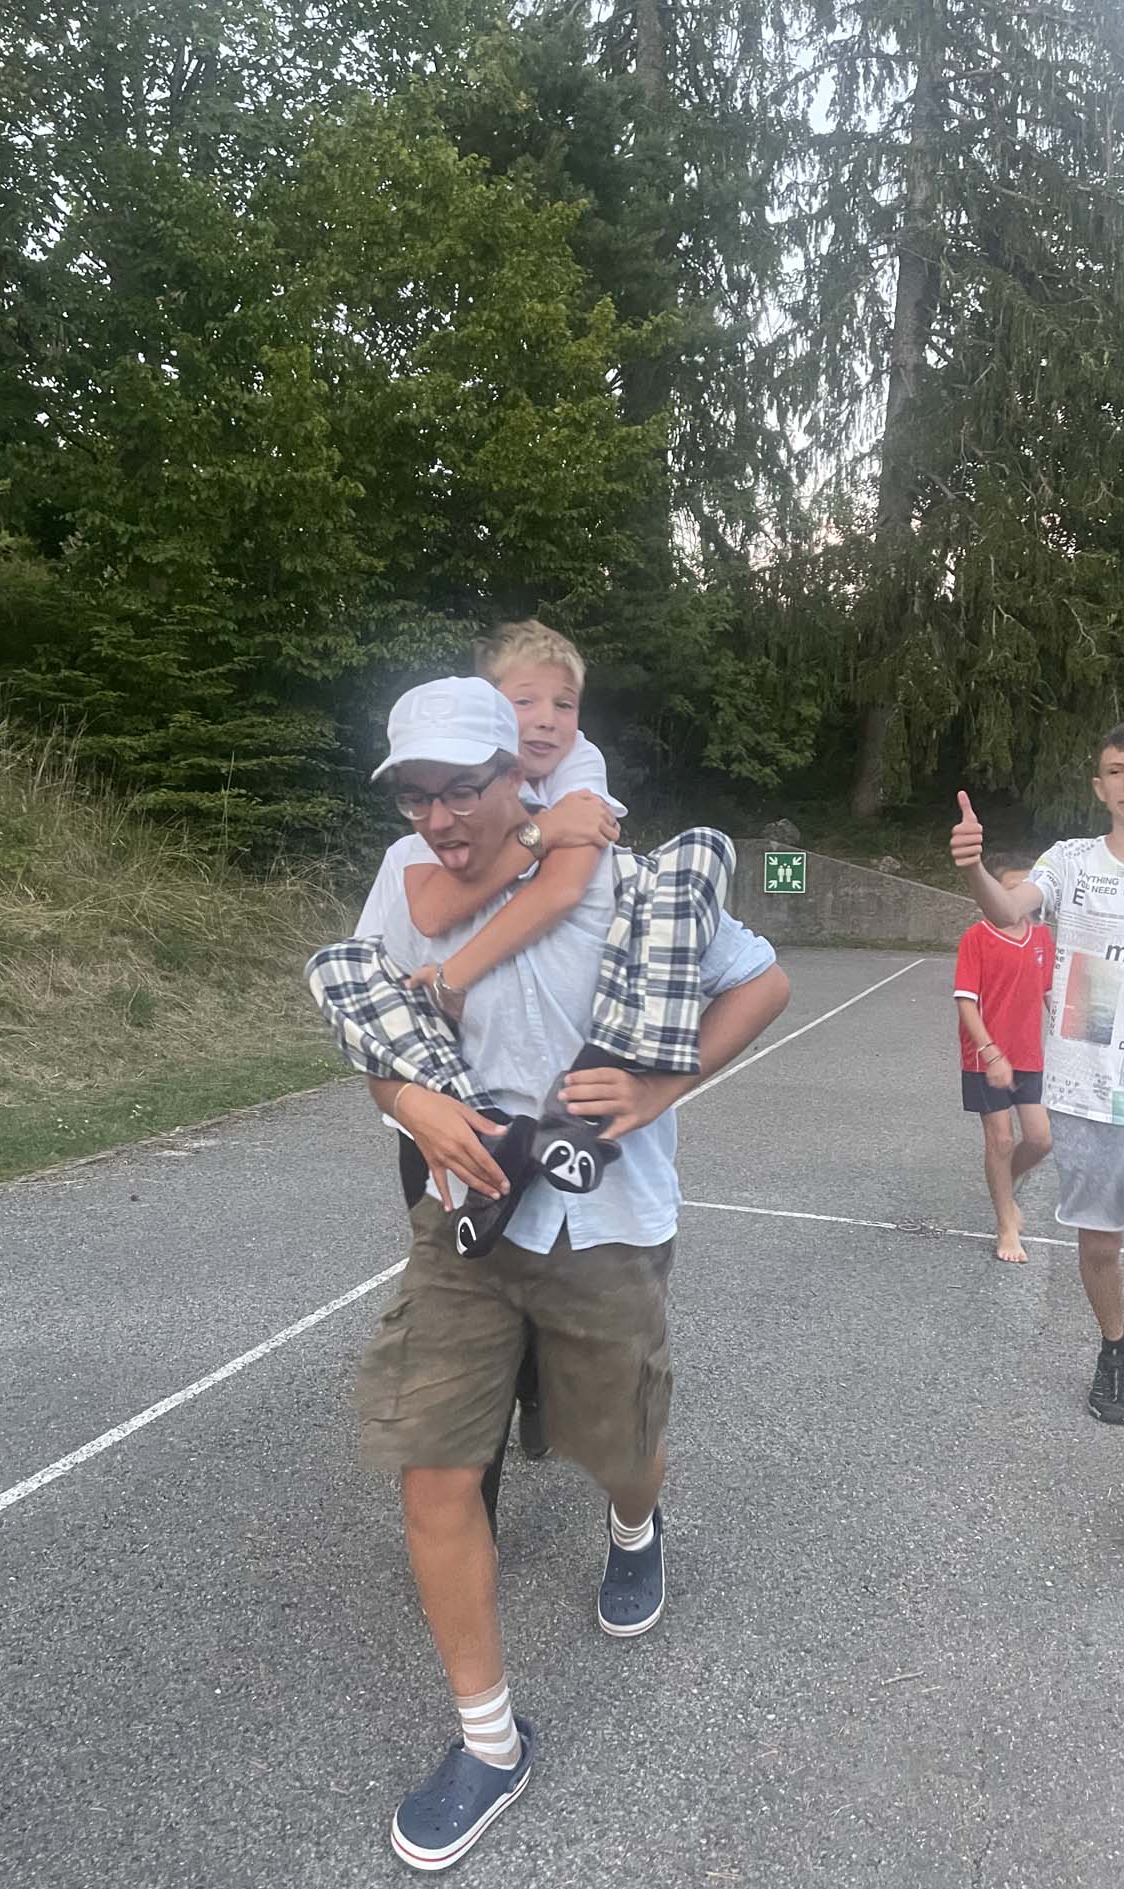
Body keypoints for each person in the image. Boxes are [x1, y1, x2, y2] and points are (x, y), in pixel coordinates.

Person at [317, 677, 790, 1870]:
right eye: (415, 795)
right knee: (434, 1471)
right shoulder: (403, 881)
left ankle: (635, 1521)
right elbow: (380, 1037)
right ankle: (489, 1742)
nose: (438, 818)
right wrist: (410, 1101)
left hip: (606, 1225)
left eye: (459, 790)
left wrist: (662, 1084)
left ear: (516, 777)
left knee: (615, 1445)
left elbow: (764, 979)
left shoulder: (628, 881)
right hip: (465, 1230)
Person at [355, 622, 622, 1473]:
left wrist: (542, 842)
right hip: (438, 1126)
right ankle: (478, 1466)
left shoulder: (579, 775)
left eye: (562, 703)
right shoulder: (417, 846)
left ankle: (539, 1388)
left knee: (540, 1289)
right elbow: (421, 922)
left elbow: (567, 885)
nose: (545, 719)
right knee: (461, 1299)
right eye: (523, 701)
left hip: (540, 1119)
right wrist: (538, 839)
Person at [950, 720, 1124, 1545]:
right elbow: (1009, 908)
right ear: (1098, 785)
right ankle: (1112, 1345)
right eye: (1116, 769)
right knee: (1099, 1254)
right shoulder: (1070, 863)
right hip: (1083, 1096)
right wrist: (974, 869)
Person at [953, 854, 1055, 1263]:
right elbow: (966, 1002)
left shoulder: (1042, 936)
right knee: (1001, 1139)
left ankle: (1002, 1186)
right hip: (986, 1057)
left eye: (1027, 888)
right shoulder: (976, 937)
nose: (1021, 897)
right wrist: (991, 1052)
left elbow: (1049, 993)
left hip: (1029, 1053)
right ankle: (1005, 1224)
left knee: (1041, 1139)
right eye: (1011, 889)